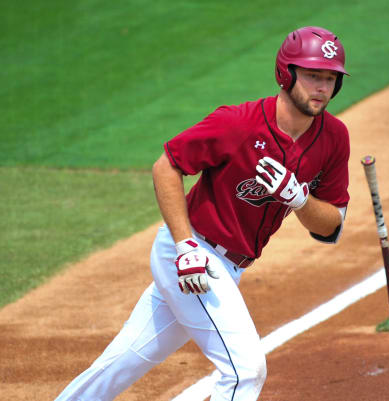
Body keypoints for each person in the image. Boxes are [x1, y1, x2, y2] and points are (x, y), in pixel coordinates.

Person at [55, 26, 350, 401]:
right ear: (285, 74)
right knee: (246, 371)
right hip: (192, 255)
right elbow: (168, 165)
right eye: (312, 76)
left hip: (231, 267)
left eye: (329, 79)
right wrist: (185, 246)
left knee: (125, 359)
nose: (321, 88)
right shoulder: (238, 123)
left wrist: (300, 200)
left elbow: (331, 227)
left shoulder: (334, 137)